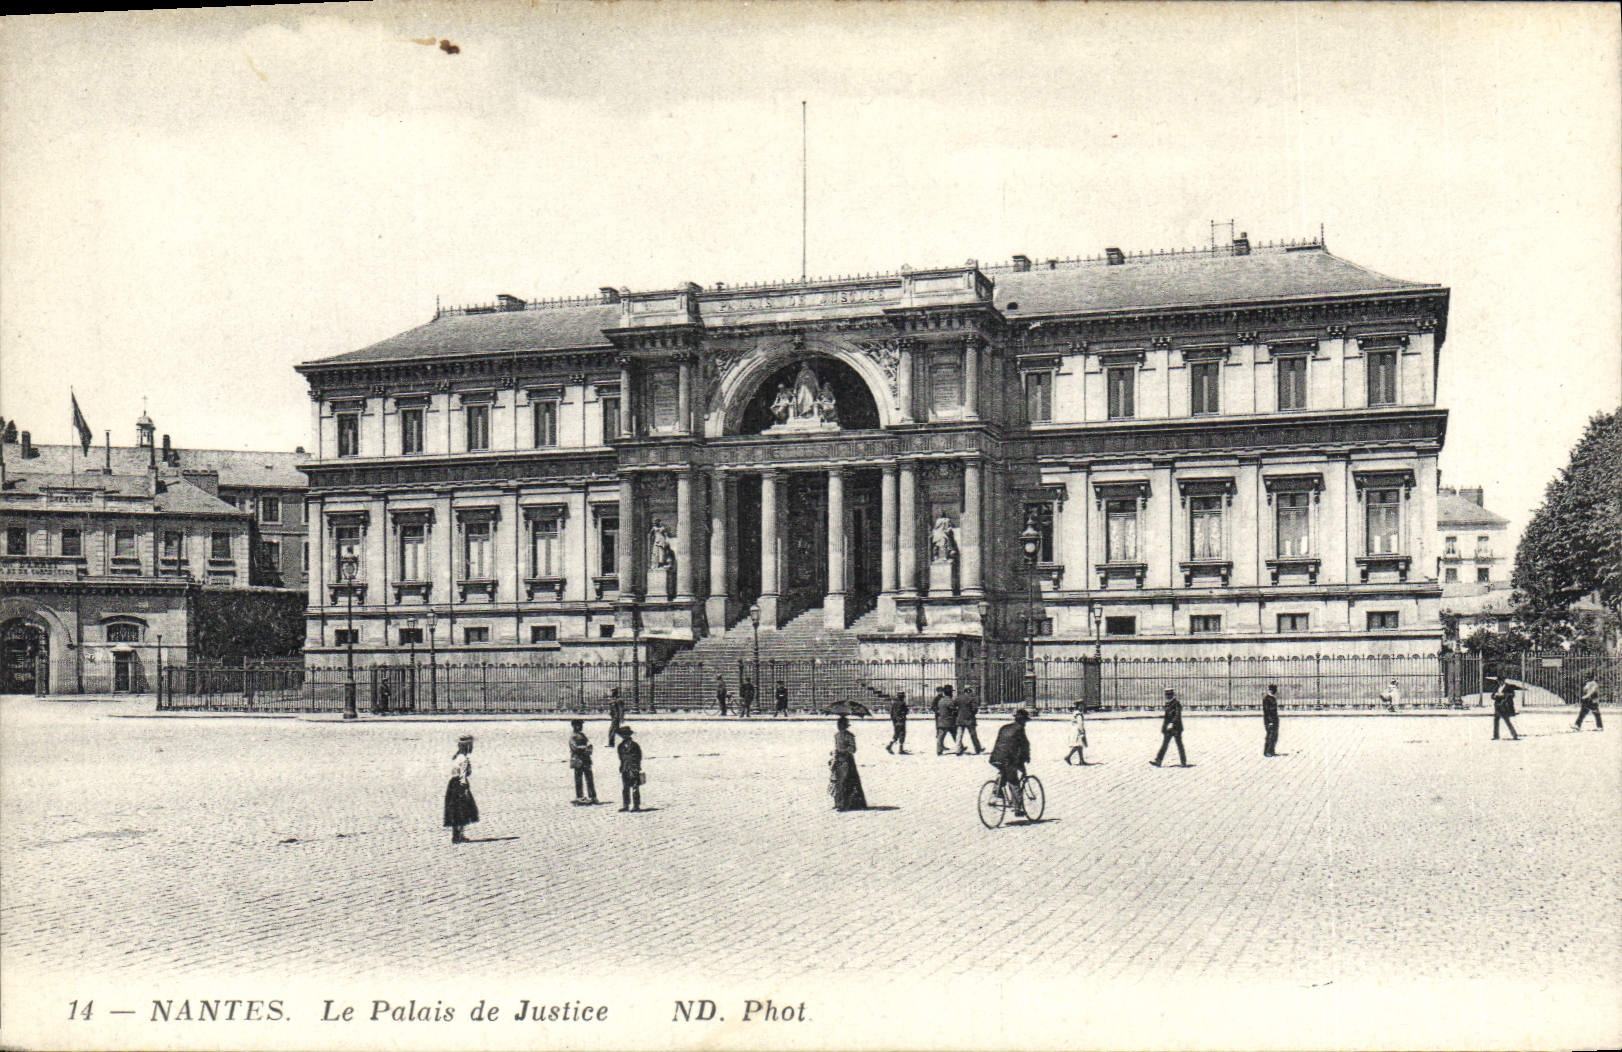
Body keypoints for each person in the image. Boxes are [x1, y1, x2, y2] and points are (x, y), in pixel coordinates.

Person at [989, 709, 1033, 816]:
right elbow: (1024, 745)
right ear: (1023, 721)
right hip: (1007, 759)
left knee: (1004, 772)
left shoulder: (1004, 727)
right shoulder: (1020, 729)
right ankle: (1018, 808)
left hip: (995, 757)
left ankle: (996, 791)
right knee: (1014, 782)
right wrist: (1026, 758)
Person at [443, 735, 478, 844]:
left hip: (452, 784)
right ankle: (460, 835)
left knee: (454, 809)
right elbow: (463, 775)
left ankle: (455, 834)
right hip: (459, 784)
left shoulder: (456, 757)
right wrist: (465, 788)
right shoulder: (464, 759)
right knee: (462, 809)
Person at [828, 716, 868, 811]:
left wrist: (845, 750)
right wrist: (834, 752)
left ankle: (846, 803)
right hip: (838, 759)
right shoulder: (836, 735)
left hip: (847, 760)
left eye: (841, 725)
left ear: (845, 726)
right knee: (837, 781)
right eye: (838, 725)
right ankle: (838, 802)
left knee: (847, 781)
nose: (839, 727)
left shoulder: (849, 736)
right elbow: (836, 747)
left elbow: (853, 749)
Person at [1151, 687, 1188, 767]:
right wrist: (1164, 727)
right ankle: (1158, 760)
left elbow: (1177, 715)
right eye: (1166, 694)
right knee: (1165, 744)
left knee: (1179, 745)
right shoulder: (1167, 704)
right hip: (1169, 728)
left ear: (1172, 695)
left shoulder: (1176, 703)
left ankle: (1183, 761)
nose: (1167, 696)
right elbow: (1166, 717)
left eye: (1169, 694)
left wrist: (1172, 723)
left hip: (1176, 728)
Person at [568, 719, 598, 804]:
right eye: (578, 725)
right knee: (578, 779)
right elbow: (574, 748)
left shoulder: (583, 735)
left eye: (581, 725)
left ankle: (592, 796)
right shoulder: (573, 736)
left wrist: (585, 748)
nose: (580, 727)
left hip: (586, 760)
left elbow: (589, 745)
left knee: (589, 778)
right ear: (574, 726)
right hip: (578, 760)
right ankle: (580, 796)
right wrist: (585, 748)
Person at [616, 725, 644, 812]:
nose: (624, 736)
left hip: (633, 767)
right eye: (623, 735)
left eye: (626, 734)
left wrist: (637, 766)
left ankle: (636, 805)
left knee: (635, 786)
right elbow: (621, 757)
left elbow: (639, 756)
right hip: (625, 768)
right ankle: (626, 805)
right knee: (625, 787)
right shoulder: (620, 746)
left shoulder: (635, 745)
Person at [955, 690, 982, 754]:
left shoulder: (959, 698)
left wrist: (958, 713)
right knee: (973, 735)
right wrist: (972, 714)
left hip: (960, 718)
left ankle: (958, 749)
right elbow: (974, 709)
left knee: (959, 735)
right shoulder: (972, 699)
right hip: (969, 719)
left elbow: (954, 706)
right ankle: (977, 748)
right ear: (969, 692)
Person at [933, 685, 957, 755]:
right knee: (955, 734)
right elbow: (953, 710)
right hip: (949, 721)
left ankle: (939, 750)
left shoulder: (940, 700)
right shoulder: (949, 700)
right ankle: (960, 747)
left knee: (941, 736)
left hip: (941, 720)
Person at [1262, 683, 1281, 757]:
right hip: (1270, 720)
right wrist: (1270, 721)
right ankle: (1267, 751)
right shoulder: (1267, 699)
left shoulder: (1272, 698)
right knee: (1270, 735)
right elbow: (1267, 711)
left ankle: (1271, 750)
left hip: (1274, 719)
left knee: (1274, 735)